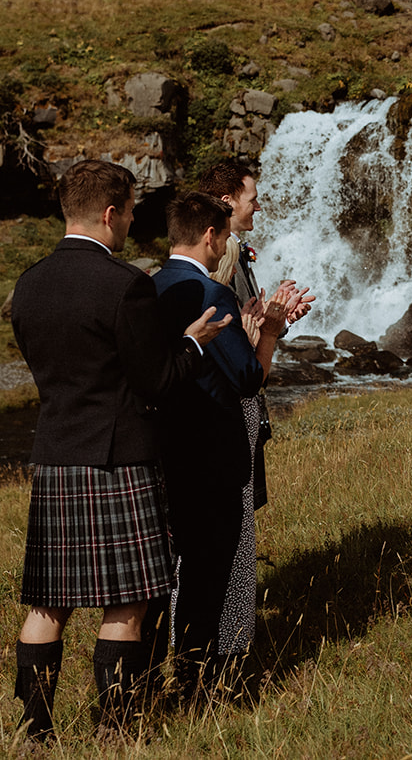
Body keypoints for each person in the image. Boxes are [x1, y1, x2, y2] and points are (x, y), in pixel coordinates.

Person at [9, 161, 230, 739]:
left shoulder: (27, 283)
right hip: (120, 457)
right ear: (110, 214)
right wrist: (191, 343)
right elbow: (156, 380)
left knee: (48, 604)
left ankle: (35, 734)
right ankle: (119, 731)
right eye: (131, 211)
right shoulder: (124, 282)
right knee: (127, 602)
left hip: (56, 452)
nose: (133, 221)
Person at [152, 193, 298, 699]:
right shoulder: (207, 290)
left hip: (161, 450)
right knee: (207, 570)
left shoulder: (149, 285)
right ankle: (200, 681)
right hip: (212, 451)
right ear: (211, 235)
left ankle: (153, 678)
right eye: (224, 238)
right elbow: (245, 377)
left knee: (165, 571)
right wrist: (270, 333)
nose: (225, 247)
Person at [191, 162, 313, 681]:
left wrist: (269, 316)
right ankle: (229, 644)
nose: (257, 206)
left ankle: (220, 635)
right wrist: (265, 327)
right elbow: (228, 334)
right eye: (251, 198)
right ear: (225, 200)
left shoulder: (232, 254)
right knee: (233, 524)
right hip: (227, 401)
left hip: (227, 397)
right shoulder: (224, 256)